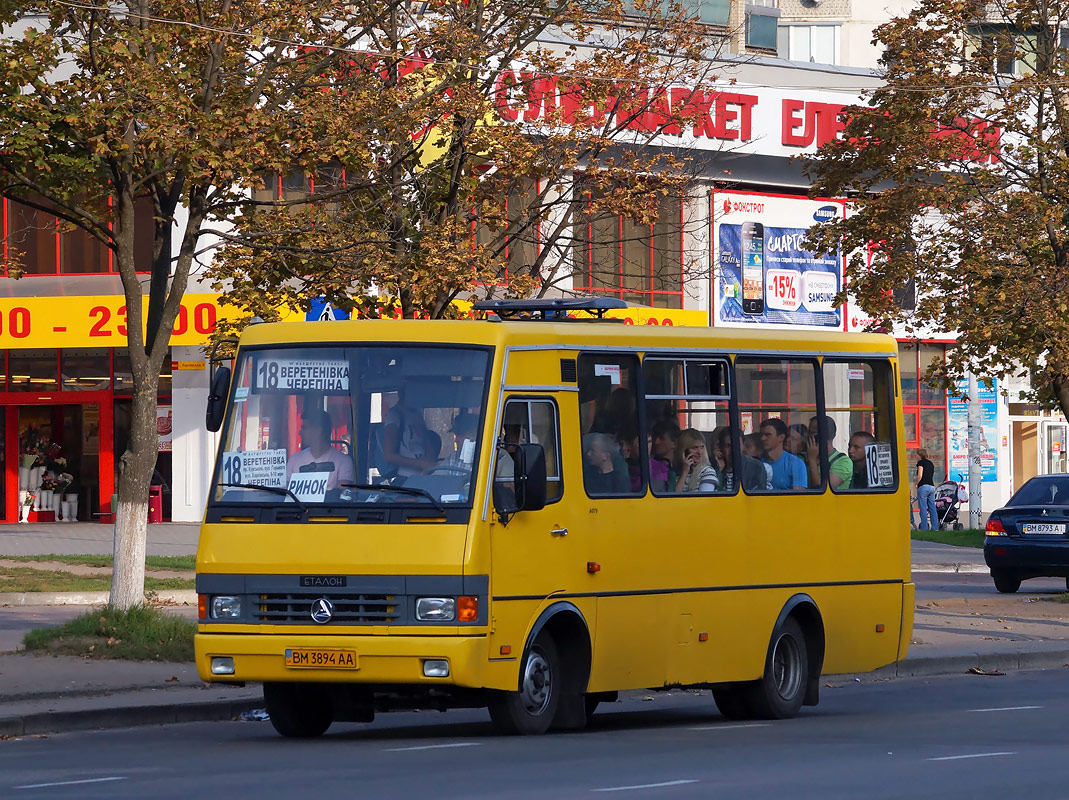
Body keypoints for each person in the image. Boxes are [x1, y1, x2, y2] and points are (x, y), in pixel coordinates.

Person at [285, 408, 354, 491]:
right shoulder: (294, 460)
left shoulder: (344, 461)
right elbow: (287, 493)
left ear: (319, 431)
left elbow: (341, 496)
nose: (300, 432)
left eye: (305, 428)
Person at [383, 386, 437, 477]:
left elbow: (427, 443)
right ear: (401, 393)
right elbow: (389, 455)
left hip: (422, 476)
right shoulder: (394, 414)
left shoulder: (417, 414)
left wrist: (429, 463)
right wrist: (420, 464)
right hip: (404, 477)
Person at [759, 418, 807, 491]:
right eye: (761, 435)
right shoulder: (756, 462)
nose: (763, 438)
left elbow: (798, 497)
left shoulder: (795, 463)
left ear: (781, 437)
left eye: (767, 435)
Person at [805, 417, 852, 490]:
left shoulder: (843, 462)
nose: (809, 437)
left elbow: (823, 488)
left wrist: (812, 460)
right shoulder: (803, 457)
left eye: (812, 433)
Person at [713, 427, 766, 492]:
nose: (733, 450)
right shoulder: (713, 466)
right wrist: (719, 471)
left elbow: (759, 494)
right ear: (721, 447)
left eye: (737, 445)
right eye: (728, 446)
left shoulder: (755, 466)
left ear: (743, 446)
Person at [674, 428, 719, 493]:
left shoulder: (707, 472)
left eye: (702, 447)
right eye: (695, 448)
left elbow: (704, 500)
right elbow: (674, 498)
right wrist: (684, 473)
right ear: (684, 450)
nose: (699, 452)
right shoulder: (676, 472)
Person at [648, 418, 679, 492]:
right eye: (655, 438)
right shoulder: (649, 466)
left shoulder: (682, 467)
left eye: (661, 438)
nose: (656, 442)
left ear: (674, 443)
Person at [915, 447, 937, 530]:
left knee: (923, 508)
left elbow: (920, 475)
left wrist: (916, 483)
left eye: (916, 455)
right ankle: (935, 527)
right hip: (931, 487)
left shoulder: (921, 463)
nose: (916, 456)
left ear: (920, 455)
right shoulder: (930, 463)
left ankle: (924, 527)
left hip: (923, 487)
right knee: (932, 508)